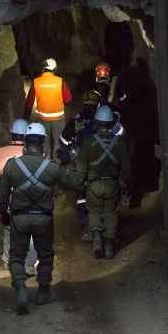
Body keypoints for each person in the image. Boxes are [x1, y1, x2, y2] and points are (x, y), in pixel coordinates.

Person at [0, 122, 81, 315]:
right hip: (43, 219)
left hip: (19, 218)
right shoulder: (51, 167)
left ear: (25, 143)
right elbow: (73, 184)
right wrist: (71, 166)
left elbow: (1, 196)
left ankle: (20, 288)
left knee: (16, 256)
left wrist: (3, 213)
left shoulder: (12, 166)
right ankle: (43, 293)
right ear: (43, 144)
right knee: (45, 256)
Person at [76, 105, 131, 259]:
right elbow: (126, 165)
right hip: (112, 184)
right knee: (111, 214)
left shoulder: (88, 141)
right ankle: (108, 247)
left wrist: (79, 182)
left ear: (96, 122)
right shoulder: (119, 142)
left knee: (94, 211)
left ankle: (97, 241)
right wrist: (126, 181)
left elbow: (81, 165)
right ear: (111, 123)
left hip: (93, 184)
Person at [0, 118, 38, 276]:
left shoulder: (1, 152)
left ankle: (8, 260)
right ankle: (29, 264)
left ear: (12, 134)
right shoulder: (37, 151)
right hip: (30, 197)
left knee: (10, 230)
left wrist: (0, 203)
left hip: (10, 197)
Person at [57, 89, 101, 242]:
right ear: (97, 105)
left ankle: (87, 226)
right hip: (100, 165)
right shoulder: (102, 121)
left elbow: (63, 140)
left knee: (82, 196)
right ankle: (102, 227)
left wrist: (66, 157)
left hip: (80, 166)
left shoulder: (76, 123)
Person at [22, 58, 73, 158]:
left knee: (44, 140)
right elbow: (68, 99)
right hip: (58, 118)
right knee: (59, 139)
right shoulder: (60, 81)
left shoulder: (36, 82)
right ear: (54, 69)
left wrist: (25, 117)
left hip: (43, 118)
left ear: (43, 68)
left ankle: (46, 161)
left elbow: (29, 102)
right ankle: (57, 162)